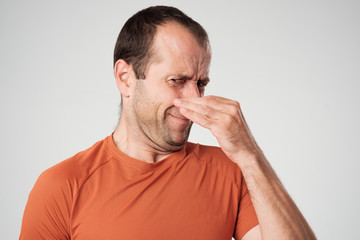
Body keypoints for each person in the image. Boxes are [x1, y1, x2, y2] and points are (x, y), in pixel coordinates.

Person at [19, 5, 316, 240]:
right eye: (177, 81)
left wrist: (250, 156)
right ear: (126, 78)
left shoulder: (232, 171)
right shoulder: (62, 186)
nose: (193, 99)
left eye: (201, 83)